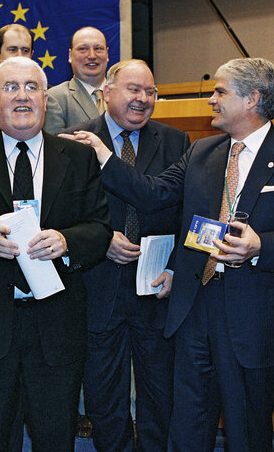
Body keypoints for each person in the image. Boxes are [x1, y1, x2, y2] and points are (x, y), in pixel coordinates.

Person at [81, 57, 274, 452]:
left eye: (220, 92)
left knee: (246, 428)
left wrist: (260, 247)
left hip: (256, 315)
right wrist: (104, 156)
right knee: (187, 426)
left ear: (252, 98)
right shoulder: (202, 152)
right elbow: (151, 194)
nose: (211, 100)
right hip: (195, 309)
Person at [0, 56, 112, 452]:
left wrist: (66, 242)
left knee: (54, 438)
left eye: (32, 87)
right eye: (11, 88)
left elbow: (99, 230)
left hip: (56, 327)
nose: (22, 97)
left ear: (45, 100)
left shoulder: (78, 157)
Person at [60, 59, 190, 452]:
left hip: (155, 288)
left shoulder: (176, 142)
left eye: (150, 92)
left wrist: (174, 268)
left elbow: (184, 211)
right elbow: (62, 214)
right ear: (106, 92)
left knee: (159, 394)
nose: (143, 99)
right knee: (103, 396)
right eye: (134, 89)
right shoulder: (72, 141)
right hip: (99, 286)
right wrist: (100, 239)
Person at [44, 26, 109, 134]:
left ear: (107, 54)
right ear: (70, 55)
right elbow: (56, 146)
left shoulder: (123, 95)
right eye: (83, 49)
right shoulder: (55, 97)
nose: (92, 55)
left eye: (98, 48)